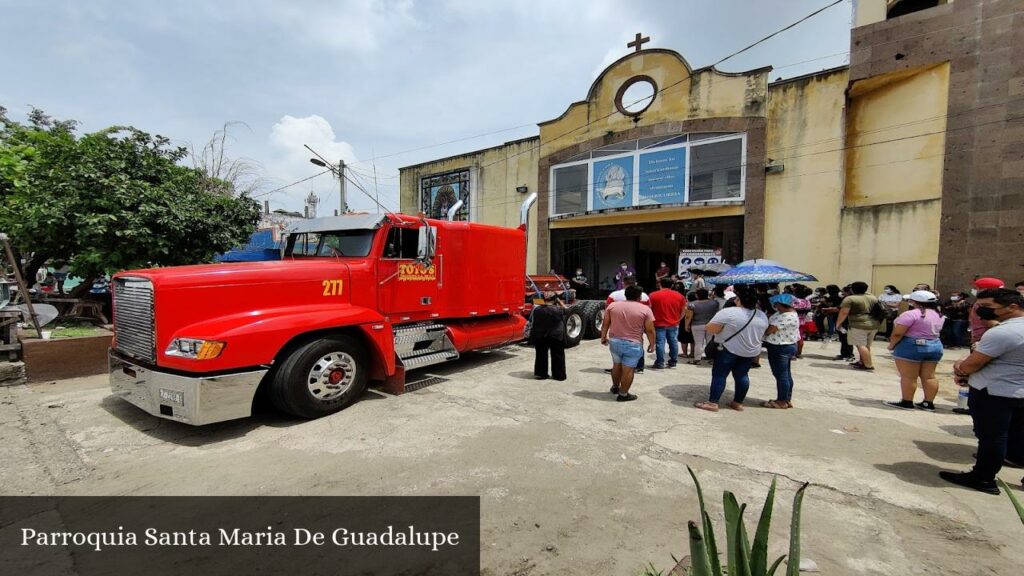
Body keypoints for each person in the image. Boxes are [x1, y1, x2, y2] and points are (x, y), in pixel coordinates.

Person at [941, 288, 1024, 495]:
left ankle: (983, 478)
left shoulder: (1003, 332)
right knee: (1018, 434)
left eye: (987, 307)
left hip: (995, 392)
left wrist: (961, 368)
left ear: (1012, 307)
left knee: (992, 437)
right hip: (1018, 391)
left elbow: (972, 364)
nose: (981, 311)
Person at [694, 286, 769, 412]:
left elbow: (710, 328)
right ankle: (738, 403)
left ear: (738, 299)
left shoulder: (728, 312)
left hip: (727, 349)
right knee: (742, 376)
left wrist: (724, 330)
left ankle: (713, 403)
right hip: (749, 351)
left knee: (719, 375)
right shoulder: (761, 315)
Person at [884, 290, 945, 410]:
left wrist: (892, 345)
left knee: (909, 376)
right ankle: (928, 403)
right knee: (929, 376)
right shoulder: (939, 315)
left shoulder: (911, 314)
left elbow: (898, 333)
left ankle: (907, 401)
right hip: (934, 345)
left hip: (912, 345)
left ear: (915, 302)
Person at [601, 285, 655, 402]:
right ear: (639, 296)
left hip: (615, 342)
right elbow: (650, 329)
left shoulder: (613, 306)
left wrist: (603, 337)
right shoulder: (645, 309)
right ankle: (623, 394)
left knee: (616, 365)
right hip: (633, 344)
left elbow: (605, 323)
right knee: (628, 370)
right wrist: (652, 343)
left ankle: (615, 387)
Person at [762, 293, 800, 409]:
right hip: (782, 345)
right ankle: (786, 399)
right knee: (785, 374)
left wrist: (764, 332)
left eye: (776, 304)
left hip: (780, 346)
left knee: (781, 374)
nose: (775, 306)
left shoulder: (787, 316)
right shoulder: (784, 313)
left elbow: (772, 329)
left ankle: (782, 401)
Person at [836, 281, 882, 371]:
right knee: (866, 345)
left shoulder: (850, 299)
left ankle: (868, 365)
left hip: (858, 324)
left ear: (852, 289)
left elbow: (844, 312)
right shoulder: (872, 297)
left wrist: (838, 324)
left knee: (860, 345)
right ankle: (862, 362)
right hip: (873, 324)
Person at [649, 277, 686, 369]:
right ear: (672, 285)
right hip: (673, 323)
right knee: (673, 342)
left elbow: (649, 309)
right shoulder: (679, 296)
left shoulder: (653, 295)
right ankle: (673, 361)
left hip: (658, 323)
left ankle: (660, 362)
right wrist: (678, 319)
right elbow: (684, 310)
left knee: (660, 343)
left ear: (660, 284)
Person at [530, 292, 568, 381]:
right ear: (555, 300)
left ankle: (541, 374)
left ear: (543, 299)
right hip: (556, 335)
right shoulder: (559, 310)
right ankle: (559, 375)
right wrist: (559, 301)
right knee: (558, 355)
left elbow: (535, 302)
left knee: (540, 355)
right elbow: (567, 310)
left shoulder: (537, 310)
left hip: (540, 335)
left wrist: (542, 301)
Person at [686, 289, 720, 365]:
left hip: (697, 324)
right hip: (711, 324)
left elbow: (689, 316)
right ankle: (711, 358)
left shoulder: (692, 304)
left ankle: (697, 359)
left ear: (697, 295)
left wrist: (687, 325)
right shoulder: (714, 303)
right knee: (710, 342)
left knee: (698, 343)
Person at [969, 277, 1004, 348]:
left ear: (985, 290)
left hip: (984, 340)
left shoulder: (983, 304)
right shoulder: (1000, 303)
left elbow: (992, 323)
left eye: (976, 288)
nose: (974, 290)